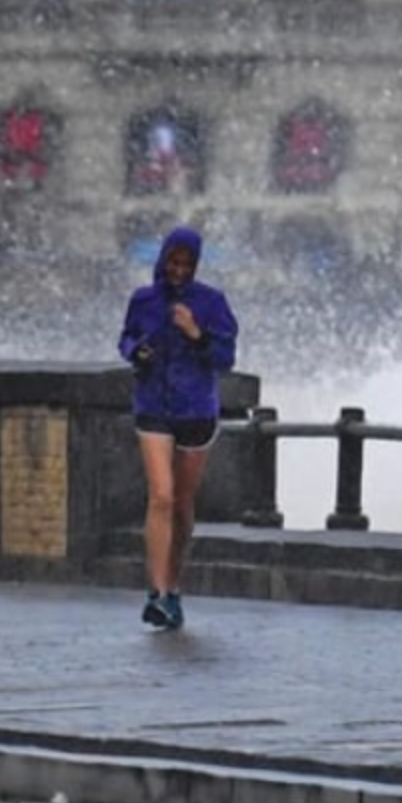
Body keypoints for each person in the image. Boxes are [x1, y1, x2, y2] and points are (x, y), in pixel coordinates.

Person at [117, 226, 238, 630]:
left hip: (196, 409)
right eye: (174, 262)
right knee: (162, 496)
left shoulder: (212, 302)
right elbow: (126, 339)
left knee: (183, 505)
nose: (179, 270)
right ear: (163, 259)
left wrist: (196, 334)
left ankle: (173, 586)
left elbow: (225, 358)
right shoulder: (144, 300)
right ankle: (156, 593)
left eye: (187, 264)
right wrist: (138, 351)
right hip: (153, 405)